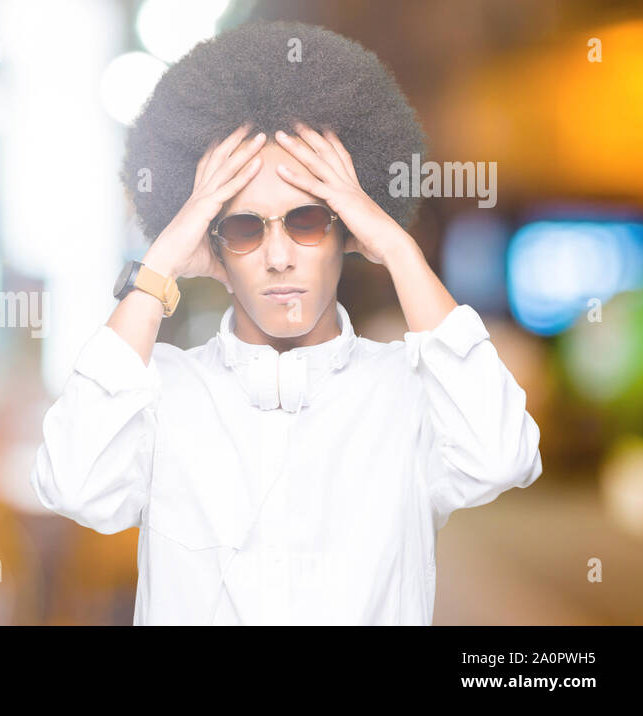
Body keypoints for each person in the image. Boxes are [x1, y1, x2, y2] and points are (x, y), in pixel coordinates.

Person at [29, 21, 542, 625]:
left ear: (349, 231)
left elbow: (503, 456)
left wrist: (401, 251)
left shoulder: (408, 393)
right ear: (212, 247)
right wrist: (162, 259)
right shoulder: (162, 394)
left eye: (307, 221)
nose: (278, 256)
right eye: (245, 228)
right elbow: (72, 481)